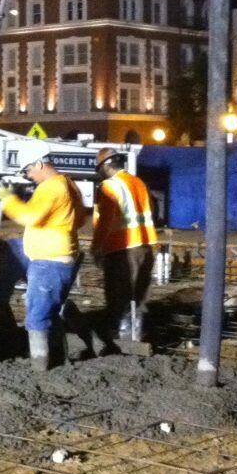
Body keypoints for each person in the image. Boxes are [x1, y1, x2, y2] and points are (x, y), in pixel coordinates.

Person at [0, 139, 86, 372]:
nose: (28, 175)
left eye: (28, 170)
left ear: (39, 163)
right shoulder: (67, 184)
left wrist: (7, 198)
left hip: (49, 261)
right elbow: (81, 218)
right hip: (61, 259)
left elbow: (30, 217)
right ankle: (58, 360)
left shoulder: (52, 187)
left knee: (36, 317)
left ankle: (40, 366)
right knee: (50, 313)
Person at [92, 147, 158, 343]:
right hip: (145, 245)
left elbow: (106, 220)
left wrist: (97, 247)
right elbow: (150, 210)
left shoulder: (109, 187)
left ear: (105, 166)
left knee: (118, 293)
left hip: (121, 248)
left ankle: (119, 334)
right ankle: (136, 333)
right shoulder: (138, 183)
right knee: (139, 292)